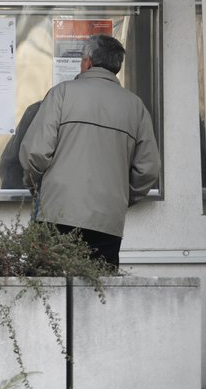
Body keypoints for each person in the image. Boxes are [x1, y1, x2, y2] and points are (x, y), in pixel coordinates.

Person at [18, 35, 160, 267]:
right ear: (117, 66)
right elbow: (148, 169)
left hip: (57, 213)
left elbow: (36, 153)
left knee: (50, 290)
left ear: (87, 63)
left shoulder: (62, 94)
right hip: (107, 220)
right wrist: (120, 199)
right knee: (97, 292)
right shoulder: (136, 107)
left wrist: (37, 189)